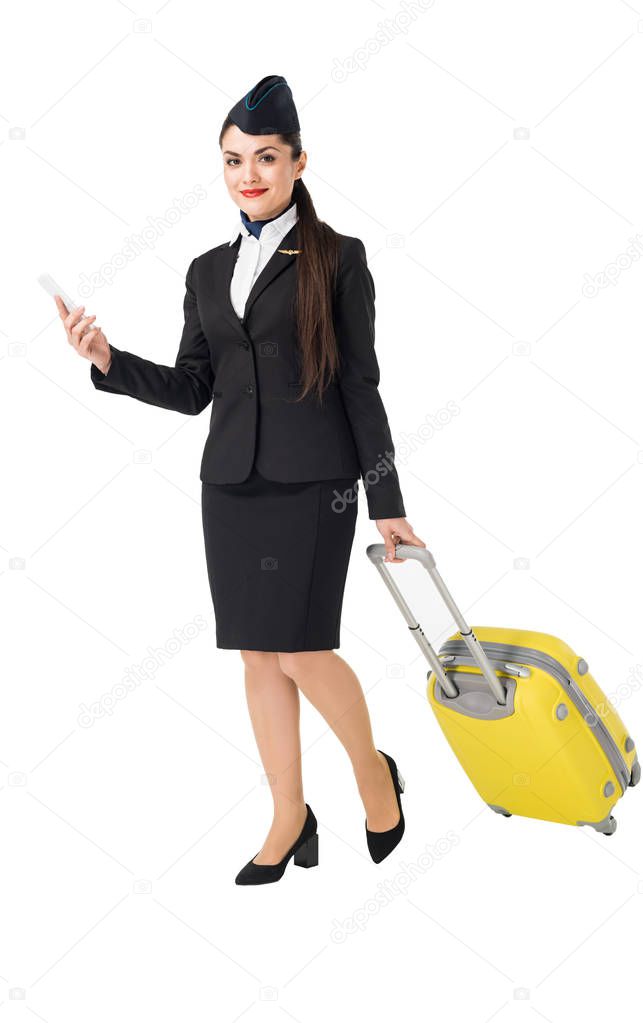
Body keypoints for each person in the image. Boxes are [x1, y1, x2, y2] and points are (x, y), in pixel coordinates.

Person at [56, 74, 425, 885]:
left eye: (264, 157)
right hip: (231, 486)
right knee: (258, 656)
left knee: (301, 650)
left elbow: (360, 388)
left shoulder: (338, 258)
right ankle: (288, 815)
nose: (247, 174)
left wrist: (387, 504)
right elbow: (195, 388)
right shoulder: (203, 268)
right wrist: (108, 361)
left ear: (298, 162)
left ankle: (374, 773)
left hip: (314, 487)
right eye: (232, 160)